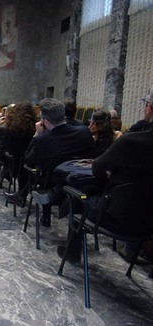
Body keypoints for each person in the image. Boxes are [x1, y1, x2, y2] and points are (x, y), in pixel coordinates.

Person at [58, 92, 153, 265]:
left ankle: (72, 252)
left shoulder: (130, 141)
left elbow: (97, 168)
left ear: (149, 107)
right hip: (148, 226)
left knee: (77, 195)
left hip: (117, 219)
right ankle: (131, 250)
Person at [5, 98, 95, 226]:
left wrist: (37, 134)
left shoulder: (42, 140)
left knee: (40, 170)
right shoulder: (84, 131)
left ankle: (42, 212)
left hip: (52, 184)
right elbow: (92, 155)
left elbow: (27, 160)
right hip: (83, 184)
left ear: (45, 121)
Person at [0, 102, 36, 188]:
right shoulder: (33, 127)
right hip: (22, 157)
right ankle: (2, 177)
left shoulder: (4, 128)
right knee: (10, 155)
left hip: (8, 155)